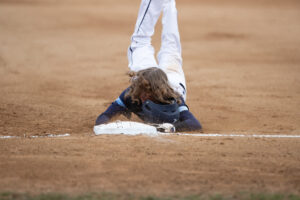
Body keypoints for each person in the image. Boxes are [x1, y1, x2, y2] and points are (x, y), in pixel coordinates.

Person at [95, 0, 201, 132]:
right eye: (142, 90)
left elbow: (194, 124)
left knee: (160, 45)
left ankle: (169, 4)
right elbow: (104, 117)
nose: (143, 96)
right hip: (157, 76)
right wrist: (104, 126)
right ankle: (168, 3)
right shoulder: (133, 93)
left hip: (173, 79)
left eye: (147, 92)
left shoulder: (172, 95)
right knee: (164, 46)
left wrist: (171, 128)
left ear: (157, 91)